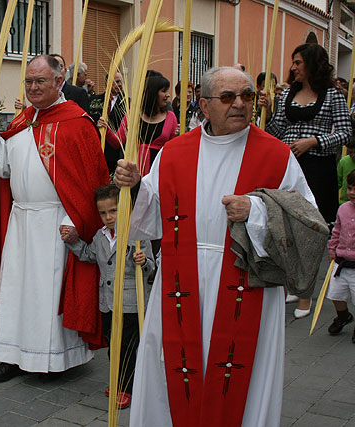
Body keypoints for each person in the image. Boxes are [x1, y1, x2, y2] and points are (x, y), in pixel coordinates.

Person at [115, 67, 315, 426]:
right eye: (227, 97)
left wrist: (255, 210)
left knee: (240, 374)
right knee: (175, 370)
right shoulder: (175, 152)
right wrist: (134, 187)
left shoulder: (276, 154)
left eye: (246, 97)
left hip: (247, 279)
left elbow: (307, 221)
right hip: (181, 280)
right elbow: (151, 212)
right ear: (204, 106)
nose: (239, 104)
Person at [0, 54, 109, 382]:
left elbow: (92, 180)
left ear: (58, 82)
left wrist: (74, 221)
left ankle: (52, 359)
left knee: (46, 294)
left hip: (56, 223)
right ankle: (11, 355)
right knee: (17, 290)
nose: (33, 88)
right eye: (29, 81)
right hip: (21, 221)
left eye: (40, 81)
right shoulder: (22, 121)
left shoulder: (77, 122)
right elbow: (3, 168)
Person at [259, 43, 352, 317]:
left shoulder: (332, 95)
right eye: (293, 62)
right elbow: (275, 130)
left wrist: (315, 140)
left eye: (298, 62)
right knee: (285, 226)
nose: (293, 67)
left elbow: (346, 133)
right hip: (287, 166)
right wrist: (269, 108)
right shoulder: (288, 93)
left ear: (312, 64)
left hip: (317, 167)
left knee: (311, 230)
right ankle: (291, 284)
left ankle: (305, 294)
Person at [61, 184, 155, 409]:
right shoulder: (100, 236)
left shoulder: (138, 234)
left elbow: (152, 266)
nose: (108, 217)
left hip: (131, 304)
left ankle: (127, 387)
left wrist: (144, 262)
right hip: (108, 303)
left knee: (129, 347)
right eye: (103, 213)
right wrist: (73, 240)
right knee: (114, 346)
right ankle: (118, 380)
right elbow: (89, 255)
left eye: (113, 211)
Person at [100, 75, 177, 174]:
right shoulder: (133, 115)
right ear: (152, 93)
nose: (168, 95)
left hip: (159, 171)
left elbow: (173, 148)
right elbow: (117, 142)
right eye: (164, 91)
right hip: (134, 170)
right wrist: (106, 129)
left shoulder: (171, 117)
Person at [327, 170, 355, 341]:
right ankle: (343, 316)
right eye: (350, 188)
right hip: (342, 262)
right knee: (336, 294)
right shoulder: (343, 209)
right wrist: (332, 250)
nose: (352, 193)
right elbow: (336, 231)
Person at [88, 71, 127, 173]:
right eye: (117, 81)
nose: (120, 84)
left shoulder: (127, 103)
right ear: (108, 82)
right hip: (97, 148)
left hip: (116, 153)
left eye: (121, 82)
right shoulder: (94, 100)